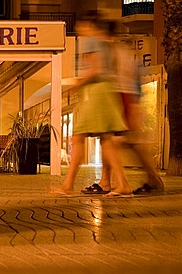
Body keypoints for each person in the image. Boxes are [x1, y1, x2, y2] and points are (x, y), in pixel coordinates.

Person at [51, 11, 132, 197]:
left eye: (80, 24)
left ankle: (68, 185)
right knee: (105, 139)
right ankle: (121, 184)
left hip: (96, 92)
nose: (78, 28)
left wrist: (78, 83)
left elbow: (95, 69)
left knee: (80, 138)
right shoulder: (106, 43)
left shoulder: (89, 40)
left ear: (88, 24)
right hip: (107, 90)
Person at [81, 21, 164, 195]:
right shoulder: (109, 50)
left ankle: (152, 180)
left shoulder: (118, 51)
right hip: (118, 98)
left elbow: (131, 81)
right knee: (110, 139)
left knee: (128, 141)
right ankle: (108, 181)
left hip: (124, 98)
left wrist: (132, 106)